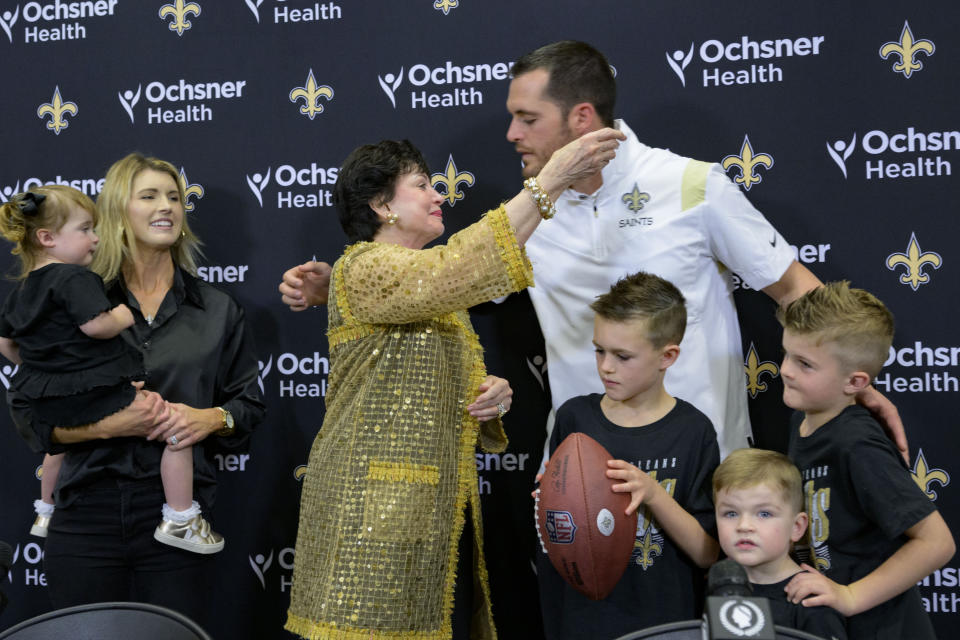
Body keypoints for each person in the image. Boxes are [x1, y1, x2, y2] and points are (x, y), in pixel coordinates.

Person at [280, 41, 906, 462]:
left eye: (527, 118)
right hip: (582, 471)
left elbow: (796, 290)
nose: (510, 134)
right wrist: (336, 285)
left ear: (581, 119)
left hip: (702, 462)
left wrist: (855, 384)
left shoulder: (693, 184)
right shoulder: (526, 212)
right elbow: (447, 280)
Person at [284, 130, 623, 640]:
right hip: (371, 516)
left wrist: (491, 393)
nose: (439, 194)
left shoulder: (427, 289)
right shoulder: (364, 264)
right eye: (421, 185)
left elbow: (424, 375)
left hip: (431, 510)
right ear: (382, 206)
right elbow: (460, 265)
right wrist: (549, 181)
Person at [8, 153, 265, 622]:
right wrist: (105, 428)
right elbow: (32, 415)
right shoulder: (72, 300)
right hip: (85, 511)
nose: (166, 205)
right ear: (115, 213)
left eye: (174, 197)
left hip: (176, 517)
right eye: (148, 196)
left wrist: (208, 418)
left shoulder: (217, 309)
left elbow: (248, 404)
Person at [0, 186, 223, 554]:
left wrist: (41, 366)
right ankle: (181, 518)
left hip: (45, 393)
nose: (95, 238)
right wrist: (122, 314)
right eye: (86, 229)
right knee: (174, 430)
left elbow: (6, 345)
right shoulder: (75, 278)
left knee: (54, 449)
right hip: (92, 397)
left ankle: (46, 511)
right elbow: (95, 326)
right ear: (47, 237)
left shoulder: (22, 290)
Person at [536, 271, 720, 638]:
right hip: (581, 617)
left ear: (667, 356)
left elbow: (708, 554)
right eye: (599, 350)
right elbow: (558, 528)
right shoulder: (575, 418)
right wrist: (550, 505)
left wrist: (653, 494)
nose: (606, 366)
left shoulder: (692, 430)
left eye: (623, 356)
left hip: (663, 621)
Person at [779, 282, 954, 638]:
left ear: (855, 381)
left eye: (805, 364)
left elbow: (937, 543)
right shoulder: (805, 417)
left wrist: (850, 596)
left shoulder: (856, 444)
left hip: (884, 628)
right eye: (786, 354)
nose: (785, 370)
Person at [713, 447, 847, 639]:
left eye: (764, 514)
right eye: (731, 513)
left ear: (797, 527)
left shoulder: (811, 600)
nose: (744, 526)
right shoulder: (719, 588)